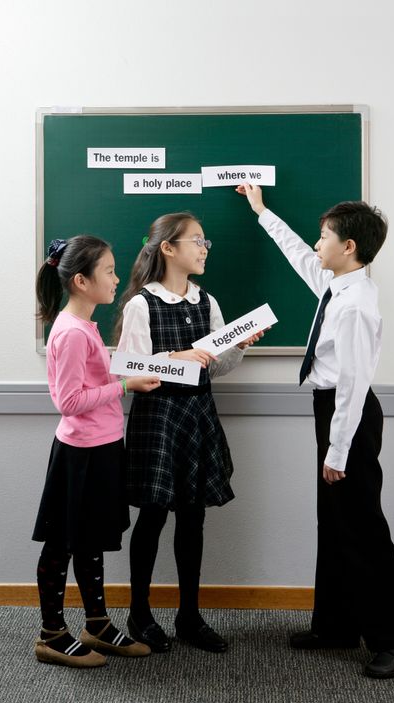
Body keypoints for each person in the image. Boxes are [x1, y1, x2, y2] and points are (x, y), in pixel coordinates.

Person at [237, 184, 394, 679]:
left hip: (349, 416)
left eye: (324, 237)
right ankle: (336, 625)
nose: (317, 244)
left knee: (363, 528)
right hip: (331, 411)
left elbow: (355, 384)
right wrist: (261, 211)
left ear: (349, 247)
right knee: (334, 523)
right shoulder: (338, 284)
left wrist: (338, 451)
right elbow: (298, 255)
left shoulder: (356, 304)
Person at [115, 212, 264, 653]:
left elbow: (215, 368)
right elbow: (130, 367)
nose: (204, 248)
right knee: (154, 515)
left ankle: (189, 617)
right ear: (168, 248)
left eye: (205, 241)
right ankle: (139, 614)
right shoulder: (142, 304)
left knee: (193, 516)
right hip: (159, 419)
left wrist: (235, 346)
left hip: (198, 413)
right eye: (197, 241)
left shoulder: (207, 302)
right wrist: (181, 355)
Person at [33, 235, 160, 667]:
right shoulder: (70, 333)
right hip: (80, 455)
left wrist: (152, 368)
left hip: (103, 447)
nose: (117, 278)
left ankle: (97, 624)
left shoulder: (85, 326)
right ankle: (51, 633)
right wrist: (124, 386)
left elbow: (100, 379)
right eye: (108, 271)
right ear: (82, 281)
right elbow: (68, 402)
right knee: (61, 544)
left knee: (89, 542)